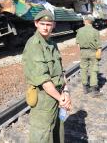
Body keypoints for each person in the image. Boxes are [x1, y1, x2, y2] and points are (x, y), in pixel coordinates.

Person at [22, 10, 72, 143]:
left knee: (57, 131)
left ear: (53, 25)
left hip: (57, 95)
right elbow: (43, 80)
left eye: (48, 24)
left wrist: (65, 92)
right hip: (44, 99)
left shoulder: (52, 44)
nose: (45, 27)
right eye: (42, 23)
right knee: (42, 135)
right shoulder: (34, 45)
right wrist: (61, 98)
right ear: (36, 24)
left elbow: (61, 71)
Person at [76, 15, 102, 96]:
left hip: (83, 52)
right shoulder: (95, 31)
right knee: (94, 69)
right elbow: (99, 45)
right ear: (92, 22)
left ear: (85, 21)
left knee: (83, 69)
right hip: (93, 52)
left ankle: (85, 88)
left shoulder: (79, 30)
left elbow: (78, 44)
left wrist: (82, 51)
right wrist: (99, 54)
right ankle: (94, 90)